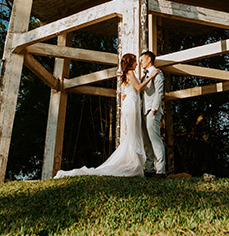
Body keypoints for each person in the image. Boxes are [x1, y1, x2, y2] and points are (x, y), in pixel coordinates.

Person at [54, 53, 159, 178]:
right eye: (136, 61)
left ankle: (134, 162)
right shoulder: (130, 73)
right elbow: (139, 87)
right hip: (131, 106)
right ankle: (133, 164)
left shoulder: (131, 74)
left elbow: (131, 88)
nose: (137, 63)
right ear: (130, 63)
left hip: (132, 104)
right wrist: (151, 77)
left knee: (134, 133)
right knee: (133, 133)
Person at [140, 50, 166, 178]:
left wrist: (154, 109)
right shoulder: (145, 75)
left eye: (142, 60)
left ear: (149, 59)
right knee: (147, 142)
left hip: (151, 110)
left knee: (155, 140)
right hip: (144, 111)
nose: (141, 63)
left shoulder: (157, 73)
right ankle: (149, 169)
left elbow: (159, 92)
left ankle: (160, 171)